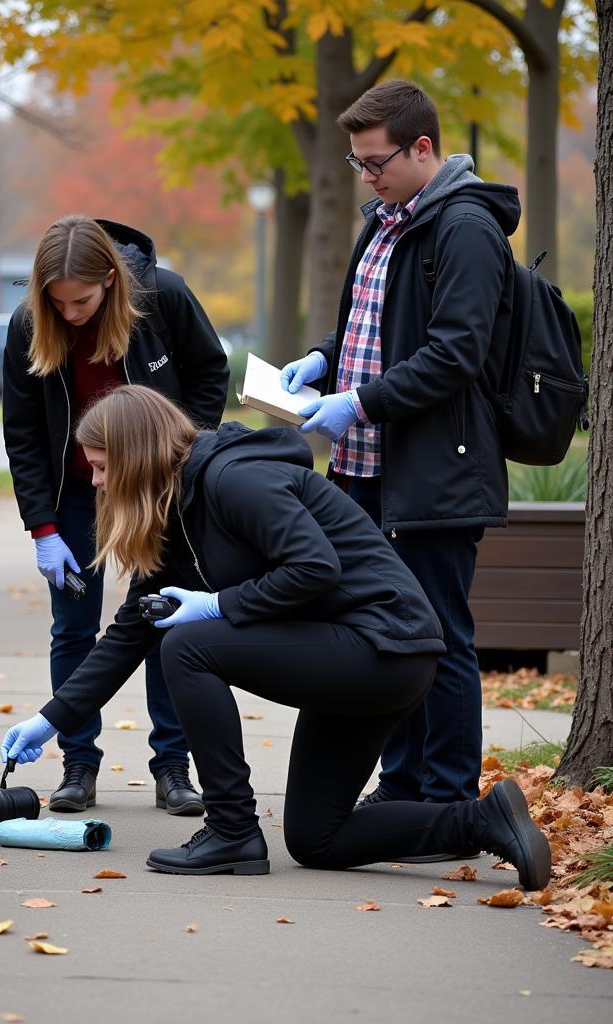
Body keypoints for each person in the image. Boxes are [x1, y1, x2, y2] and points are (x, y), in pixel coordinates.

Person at [0, 386, 551, 891]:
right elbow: (128, 633)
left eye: (101, 467)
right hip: (352, 656)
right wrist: (49, 721)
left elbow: (315, 567)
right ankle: (483, 820)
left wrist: (214, 605)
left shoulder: (234, 479)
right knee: (318, 839)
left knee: (187, 646)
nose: (95, 482)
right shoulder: (177, 514)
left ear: (135, 454)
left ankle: (231, 828)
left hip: (384, 646)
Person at [281, 81, 518, 832]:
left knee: (440, 636)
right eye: (356, 164)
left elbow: (455, 352)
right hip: (364, 467)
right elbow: (368, 327)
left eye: (376, 162)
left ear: (423, 148)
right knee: (388, 634)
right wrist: (322, 361)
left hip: (433, 468)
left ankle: (446, 798)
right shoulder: (383, 221)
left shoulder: (466, 226)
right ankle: (403, 781)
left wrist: (361, 401)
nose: (367, 177)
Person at [3, 215, 229, 815]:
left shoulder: (164, 297)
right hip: (76, 494)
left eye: (81, 301)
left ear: (110, 279)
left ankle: (172, 768)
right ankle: (78, 764)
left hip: (156, 486)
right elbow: (23, 433)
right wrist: (42, 529)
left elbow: (211, 373)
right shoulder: (30, 322)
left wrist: (187, 457)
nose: (71, 313)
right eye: (59, 303)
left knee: (164, 617)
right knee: (73, 627)